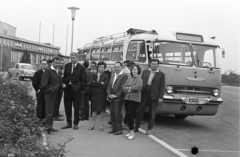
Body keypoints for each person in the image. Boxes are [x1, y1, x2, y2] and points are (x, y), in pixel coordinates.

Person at [134, 59, 165, 135]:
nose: (153, 65)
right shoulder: (145, 71)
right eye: (152, 64)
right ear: (150, 64)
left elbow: (162, 86)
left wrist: (160, 97)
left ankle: (149, 129)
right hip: (144, 93)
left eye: (155, 64)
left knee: (152, 113)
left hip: (154, 95)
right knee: (140, 110)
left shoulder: (161, 74)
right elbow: (141, 82)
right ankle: (136, 127)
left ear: (158, 65)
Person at [62, 53, 87, 130]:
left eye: (74, 58)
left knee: (76, 107)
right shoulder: (67, 66)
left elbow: (84, 81)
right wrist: (63, 83)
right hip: (68, 89)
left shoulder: (81, 67)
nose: (72, 59)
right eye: (71, 58)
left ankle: (76, 123)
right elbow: (64, 77)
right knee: (67, 106)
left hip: (76, 90)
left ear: (77, 58)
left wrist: (79, 88)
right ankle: (68, 122)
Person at [41, 56, 62, 134]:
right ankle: (48, 126)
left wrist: (61, 84)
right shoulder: (48, 70)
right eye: (56, 63)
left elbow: (58, 81)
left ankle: (50, 126)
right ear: (52, 62)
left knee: (53, 111)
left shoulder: (58, 70)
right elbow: (43, 84)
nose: (57, 64)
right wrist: (49, 90)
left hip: (57, 94)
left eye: (58, 63)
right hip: (50, 94)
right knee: (49, 111)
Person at [107, 61, 128, 135]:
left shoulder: (124, 76)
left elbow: (122, 87)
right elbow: (109, 86)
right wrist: (109, 94)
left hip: (118, 98)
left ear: (121, 67)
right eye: (115, 67)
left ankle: (119, 129)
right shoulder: (113, 75)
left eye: (118, 67)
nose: (116, 68)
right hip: (111, 97)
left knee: (117, 113)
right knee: (112, 113)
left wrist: (116, 95)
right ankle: (113, 128)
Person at [123, 64, 143, 140]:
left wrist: (128, 89)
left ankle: (132, 131)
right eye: (133, 69)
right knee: (127, 115)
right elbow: (123, 88)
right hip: (127, 99)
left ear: (138, 71)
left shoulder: (139, 79)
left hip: (135, 99)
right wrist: (130, 89)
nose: (134, 71)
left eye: (135, 69)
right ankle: (130, 130)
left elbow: (138, 87)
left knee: (130, 115)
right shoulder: (129, 79)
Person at [88, 61, 109, 131]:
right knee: (94, 110)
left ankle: (101, 125)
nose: (101, 68)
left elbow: (105, 85)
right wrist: (100, 83)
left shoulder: (106, 76)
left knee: (102, 110)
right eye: (100, 67)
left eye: (103, 67)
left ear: (104, 68)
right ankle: (92, 124)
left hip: (102, 94)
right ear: (97, 67)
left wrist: (96, 83)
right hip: (94, 94)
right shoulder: (94, 75)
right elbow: (91, 83)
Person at [32, 59, 49, 124]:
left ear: (47, 65)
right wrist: (38, 90)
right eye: (42, 64)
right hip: (40, 92)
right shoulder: (38, 73)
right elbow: (34, 83)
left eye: (45, 64)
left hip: (47, 92)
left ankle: (44, 119)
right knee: (40, 105)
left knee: (46, 105)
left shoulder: (49, 72)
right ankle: (39, 119)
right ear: (40, 65)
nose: (43, 65)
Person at [122, 60, 135, 128]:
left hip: (125, 91)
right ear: (131, 67)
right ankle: (124, 123)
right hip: (125, 92)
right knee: (124, 109)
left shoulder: (124, 70)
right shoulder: (127, 72)